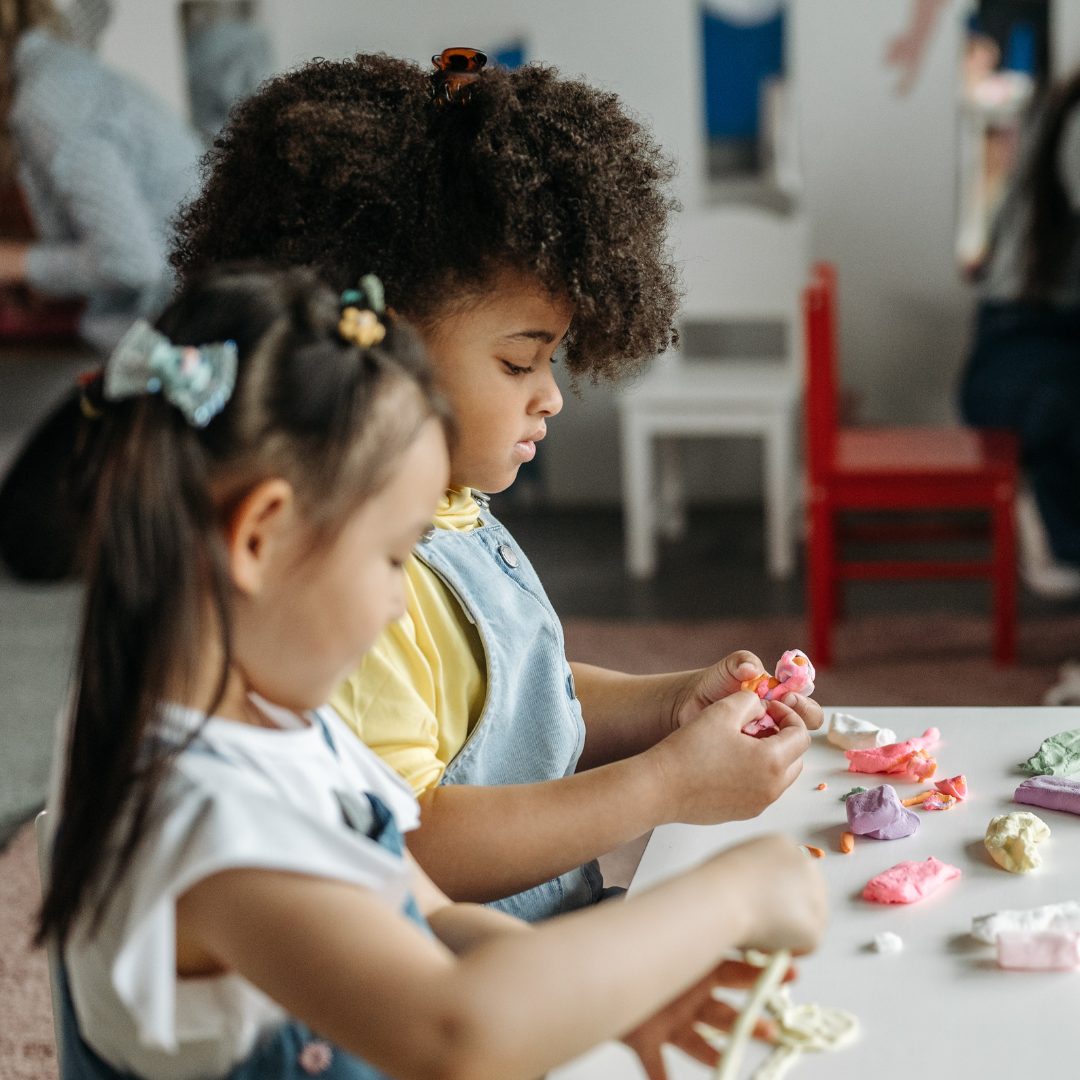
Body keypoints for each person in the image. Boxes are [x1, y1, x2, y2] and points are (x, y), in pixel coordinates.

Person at [41, 262, 827, 1080]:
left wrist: (600, 991)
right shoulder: (203, 816)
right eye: (391, 557)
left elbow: (431, 911)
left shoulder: (284, 728)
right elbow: (457, 1034)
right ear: (259, 538)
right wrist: (736, 892)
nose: (396, 603)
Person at [171, 52, 825, 922]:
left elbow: (521, 705)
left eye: (551, 358)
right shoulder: (344, 585)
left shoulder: (452, 509)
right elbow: (415, 843)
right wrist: (664, 786)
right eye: (520, 360)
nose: (550, 392)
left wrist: (672, 705)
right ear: (385, 346)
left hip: (533, 951)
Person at [960, 68, 1080, 598]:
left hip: (1045, 342)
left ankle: (1060, 532)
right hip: (1020, 347)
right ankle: (1059, 535)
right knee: (1063, 404)